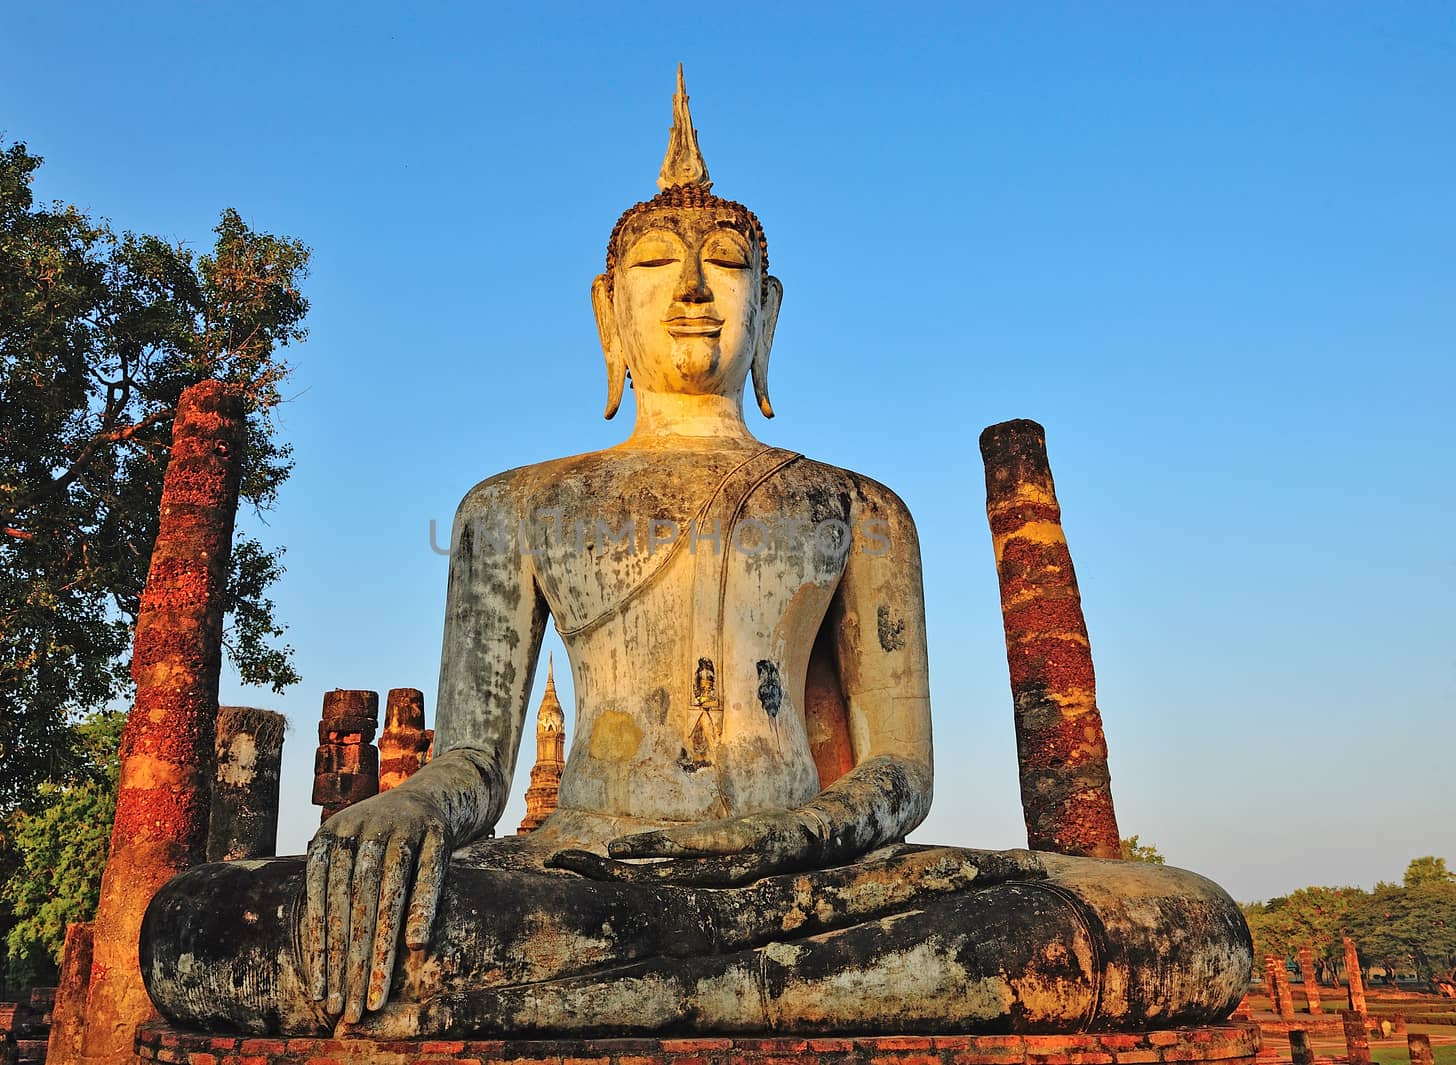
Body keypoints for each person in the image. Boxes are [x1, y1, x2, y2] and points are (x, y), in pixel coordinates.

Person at [140, 68, 1251, 1040]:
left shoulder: (859, 508)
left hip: (821, 882)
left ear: (766, 312)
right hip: (583, 875)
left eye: (723, 266)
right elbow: (472, 769)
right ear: (605, 315)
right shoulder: (517, 505)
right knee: (207, 934)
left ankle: (632, 991)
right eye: (657, 269)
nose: (688, 293)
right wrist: (403, 812)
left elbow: (900, 772)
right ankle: (717, 985)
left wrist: (791, 834)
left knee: (1182, 921)